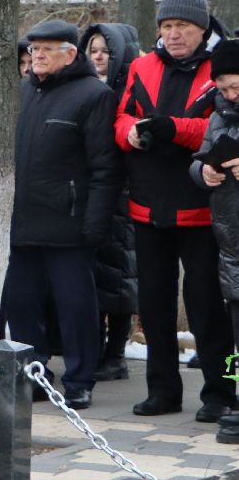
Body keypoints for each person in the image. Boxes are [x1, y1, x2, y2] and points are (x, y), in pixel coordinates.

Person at [115, 0, 235, 420]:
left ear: (202, 28)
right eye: (166, 27)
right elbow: (123, 114)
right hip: (147, 204)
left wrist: (173, 129)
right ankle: (162, 391)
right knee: (154, 304)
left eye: (182, 26)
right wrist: (129, 132)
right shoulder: (141, 66)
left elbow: (219, 127)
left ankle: (220, 394)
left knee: (205, 304)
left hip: (201, 207)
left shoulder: (219, 69)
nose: (173, 34)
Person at [3, 21, 119, 408]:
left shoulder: (94, 95)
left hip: (69, 223)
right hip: (22, 221)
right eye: (34, 49)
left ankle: (80, 377)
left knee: (76, 307)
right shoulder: (20, 93)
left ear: (71, 54)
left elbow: (105, 167)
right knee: (20, 304)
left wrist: (95, 223)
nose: (37, 55)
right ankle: (35, 373)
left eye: (47, 49)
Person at [79, 23, 141, 381]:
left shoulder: (127, 91)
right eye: (93, 50)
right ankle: (97, 347)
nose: (99, 56)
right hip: (90, 190)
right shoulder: (85, 89)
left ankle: (115, 353)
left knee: (119, 278)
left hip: (123, 192)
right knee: (93, 277)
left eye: (105, 51)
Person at [193, 38, 239, 442]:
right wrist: (202, 173)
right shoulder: (218, 117)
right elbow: (201, 159)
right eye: (223, 88)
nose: (229, 96)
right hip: (231, 244)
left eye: (237, 87)